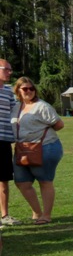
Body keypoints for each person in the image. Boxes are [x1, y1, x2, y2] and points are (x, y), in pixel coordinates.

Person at [10, 77, 64, 224]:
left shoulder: (42, 106)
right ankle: (37, 212)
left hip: (45, 147)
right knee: (21, 182)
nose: (29, 91)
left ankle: (46, 215)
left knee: (44, 181)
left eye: (31, 88)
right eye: (25, 89)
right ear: (18, 91)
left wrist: (40, 132)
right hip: (22, 150)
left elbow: (59, 124)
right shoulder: (16, 107)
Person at [0, 59, 22, 227]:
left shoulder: (8, 92)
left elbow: (17, 112)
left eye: (10, 69)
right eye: (6, 69)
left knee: (4, 179)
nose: (10, 72)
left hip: (5, 141)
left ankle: (4, 215)